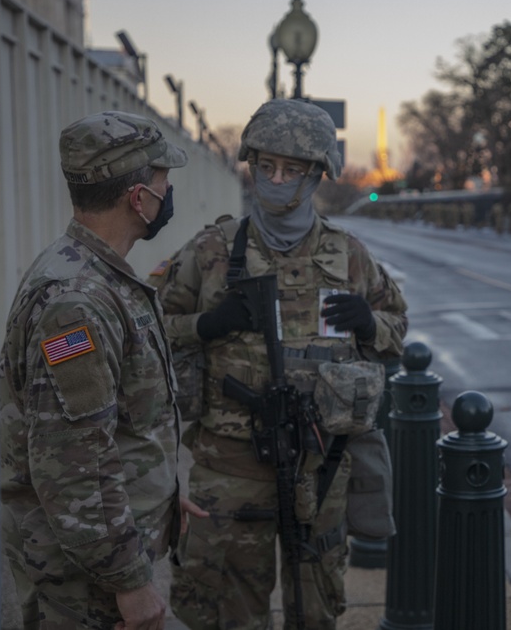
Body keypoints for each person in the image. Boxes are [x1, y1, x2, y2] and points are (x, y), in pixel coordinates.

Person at [150, 98, 408, 630]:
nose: (275, 179)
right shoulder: (209, 252)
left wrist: (370, 323)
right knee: (226, 610)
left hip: (321, 466)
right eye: (265, 166)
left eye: (291, 169)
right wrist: (205, 325)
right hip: (230, 467)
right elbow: (143, 336)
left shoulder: (349, 255)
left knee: (315, 609)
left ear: (317, 176)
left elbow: (396, 332)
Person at [0, 110, 207, 629]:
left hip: (99, 555)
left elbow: (120, 422)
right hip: (83, 580)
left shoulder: (96, 274)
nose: (169, 193)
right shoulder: (77, 302)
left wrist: (161, 490)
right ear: (139, 198)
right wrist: (133, 586)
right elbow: (75, 467)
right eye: (164, 181)